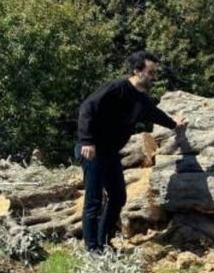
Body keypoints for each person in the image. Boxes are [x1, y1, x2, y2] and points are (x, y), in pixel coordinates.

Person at [75, 51, 186, 253]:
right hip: (93, 150)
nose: (154, 77)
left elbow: (154, 113)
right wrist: (87, 140)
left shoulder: (141, 99)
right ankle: (92, 250)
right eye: (150, 72)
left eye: (155, 73)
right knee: (94, 200)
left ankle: (104, 241)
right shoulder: (116, 88)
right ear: (137, 71)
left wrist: (174, 124)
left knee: (118, 196)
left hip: (110, 153)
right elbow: (87, 107)